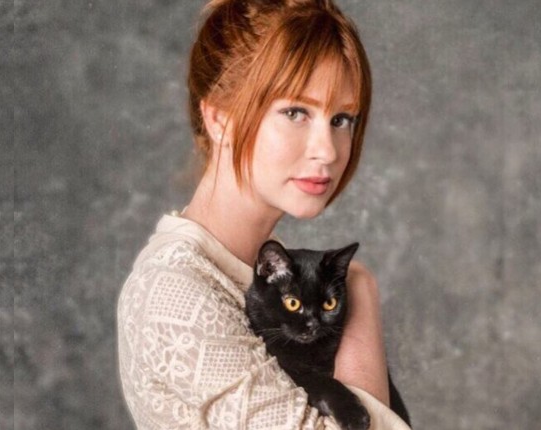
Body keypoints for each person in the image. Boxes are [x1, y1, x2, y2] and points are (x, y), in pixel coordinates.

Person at [116, 0, 410, 428]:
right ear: (220, 118)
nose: (327, 151)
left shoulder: (267, 273)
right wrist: (360, 294)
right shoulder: (177, 293)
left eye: (342, 119)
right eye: (296, 112)